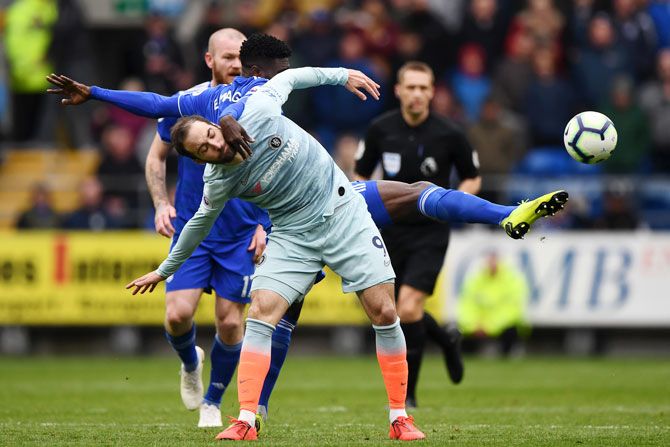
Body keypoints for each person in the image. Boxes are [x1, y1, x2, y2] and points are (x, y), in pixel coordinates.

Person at [47, 34, 568, 440]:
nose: (211, 144)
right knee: (263, 310)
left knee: (385, 309)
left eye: (209, 134)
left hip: (340, 207)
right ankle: (246, 418)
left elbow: (298, 75)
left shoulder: (255, 101)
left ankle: (399, 416)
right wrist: (163, 270)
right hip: (293, 232)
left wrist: (345, 75)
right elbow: (191, 222)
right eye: (203, 145)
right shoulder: (217, 176)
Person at [143, 28, 272, 428]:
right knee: (177, 316)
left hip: (240, 234)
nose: (236, 64)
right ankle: (189, 362)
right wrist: (162, 202)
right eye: (229, 57)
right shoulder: (186, 105)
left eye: (242, 57)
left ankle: (213, 401)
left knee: (231, 322)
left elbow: (279, 167)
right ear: (209, 60)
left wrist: (266, 223)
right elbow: (155, 157)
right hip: (194, 233)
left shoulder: (260, 103)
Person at [356, 60, 480, 409]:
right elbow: (360, 175)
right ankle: (446, 338)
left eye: (424, 88)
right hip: (390, 230)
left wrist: (459, 203)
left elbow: (472, 176)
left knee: (409, 307)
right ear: (398, 90)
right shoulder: (380, 129)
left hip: (430, 232)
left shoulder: (450, 133)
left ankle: (407, 396)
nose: (417, 94)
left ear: (432, 92)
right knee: (392, 310)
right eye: (410, 87)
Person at [458, 251, 529, 357]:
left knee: (510, 330)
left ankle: (506, 354)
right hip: (478, 325)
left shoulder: (512, 280)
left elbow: (512, 311)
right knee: (458, 333)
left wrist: (488, 326)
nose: (491, 264)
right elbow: (466, 306)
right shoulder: (475, 280)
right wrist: (474, 325)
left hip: (499, 326)